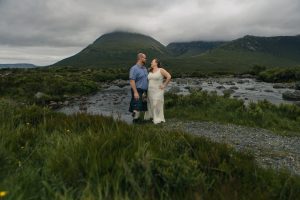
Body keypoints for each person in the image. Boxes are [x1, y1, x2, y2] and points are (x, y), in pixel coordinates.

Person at [144, 58, 171, 124]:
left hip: (158, 90)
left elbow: (169, 76)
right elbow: (148, 80)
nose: (151, 63)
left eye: (152, 62)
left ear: (156, 63)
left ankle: (158, 118)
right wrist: (145, 91)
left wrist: (164, 85)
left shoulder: (161, 70)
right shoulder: (150, 70)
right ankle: (153, 117)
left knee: (156, 104)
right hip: (150, 91)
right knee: (151, 104)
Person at [129, 53, 148, 122]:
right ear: (140, 58)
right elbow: (131, 80)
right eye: (145, 58)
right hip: (137, 90)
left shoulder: (144, 68)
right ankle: (135, 121)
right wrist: (135, 92)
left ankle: (138, 121)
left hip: (144, 91)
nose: (146, 59)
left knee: (141, 107)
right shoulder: (134, 68)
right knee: (136, 107)